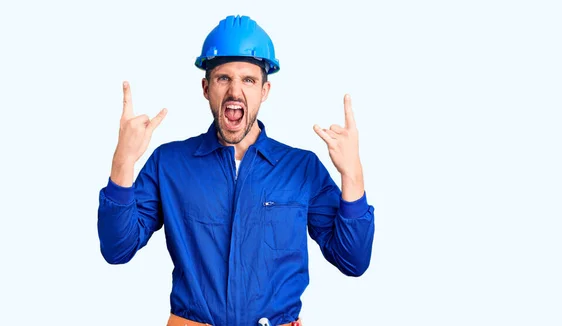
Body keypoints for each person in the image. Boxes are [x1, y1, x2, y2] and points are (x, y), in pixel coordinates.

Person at [97, 15, 375, 326]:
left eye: (248, 80)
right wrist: (123, 160)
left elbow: (353, 260)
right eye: (223, 78)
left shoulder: (302, 168)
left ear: (265, 90)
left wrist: (353, 175)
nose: (235, 91)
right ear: (206, 88)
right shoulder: (169, 163)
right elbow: (117, 249)